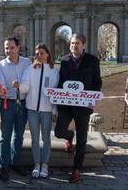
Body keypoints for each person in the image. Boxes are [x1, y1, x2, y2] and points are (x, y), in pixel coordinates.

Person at [54, 33, 102, 183]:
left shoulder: (92, 61)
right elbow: (60, 82)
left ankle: (76, 169)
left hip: (83, 106)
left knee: (82, 139)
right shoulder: (63, 60)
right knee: (58, 131)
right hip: (66, 105)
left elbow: (97, 82)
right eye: (72, 43)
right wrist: (56, 97)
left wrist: (92, 98)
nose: (74, 46)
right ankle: (69, 136)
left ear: (83, 45)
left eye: (77, 43)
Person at [13, 43, 59, 178]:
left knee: (46, 138)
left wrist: (55, 111)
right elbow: (26, 87)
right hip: (32, 109)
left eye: (42, 53)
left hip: (47, 110)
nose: (39, 55)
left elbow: (56, 93)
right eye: (37, 53)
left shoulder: (54, 71)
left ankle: (44, 164)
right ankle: (36, 164)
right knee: (34, 138)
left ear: (47, 54)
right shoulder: (30, 70)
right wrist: (18, 86)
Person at [0, 36, 31, 181]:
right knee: (5, 136)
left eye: (12, 47)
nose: (9, 50)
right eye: (6, 48)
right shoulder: (0, 66)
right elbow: (1, 85)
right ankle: (4, 166)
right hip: (7, 103)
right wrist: (1, 90)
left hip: (23, 102)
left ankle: (16, 163)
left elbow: (30, 80)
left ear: (18, 48)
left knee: (19, 135)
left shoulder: (27, 62)